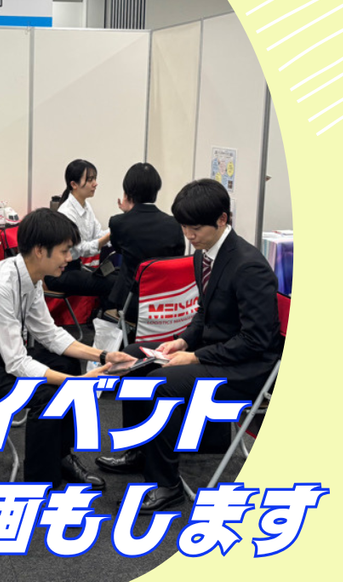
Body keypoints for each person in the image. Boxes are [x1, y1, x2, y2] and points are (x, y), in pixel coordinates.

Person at [95, 179, 282, 514]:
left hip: (246, 367)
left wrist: (194, 356)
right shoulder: (204, 254)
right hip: (217, 350)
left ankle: (166, 485)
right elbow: (204, 313)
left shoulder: (249, 266)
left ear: (222, 220)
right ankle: (140, 449)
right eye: (184, 227)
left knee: (162, 383)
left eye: (195, 228)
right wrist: (182, 341)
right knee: (134, 355)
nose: (188, 235)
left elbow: (256, 341)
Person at [0, 208, 134, 489]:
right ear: (40, 250)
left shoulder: (30, 276)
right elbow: (17, 363)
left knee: (65, 363)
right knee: (47, 394)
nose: (69, 258)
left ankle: (62, 457)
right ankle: (40, 484)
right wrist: (75, 383)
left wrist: (102, 355)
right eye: (64, 251)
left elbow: (49, 334)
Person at [108, 163, 186, 320]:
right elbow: (178, 257)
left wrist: (127, 214)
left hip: (130, 305)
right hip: (165, 304)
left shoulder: (118, 223)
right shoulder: (174, 224)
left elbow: (118, 249)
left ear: (127, 192)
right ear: (156, 190)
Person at [44, 159, 115, 300]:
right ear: (74, 184)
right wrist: (109, 236)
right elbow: (82, 249)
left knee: (118, 276)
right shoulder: (67, 212)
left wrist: (117, 230)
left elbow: (97, 234)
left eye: (95, 179)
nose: (95, 183)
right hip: (60, 273)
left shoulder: (86, 206)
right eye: (90, 180)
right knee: (113, 283)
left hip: (74, 267)